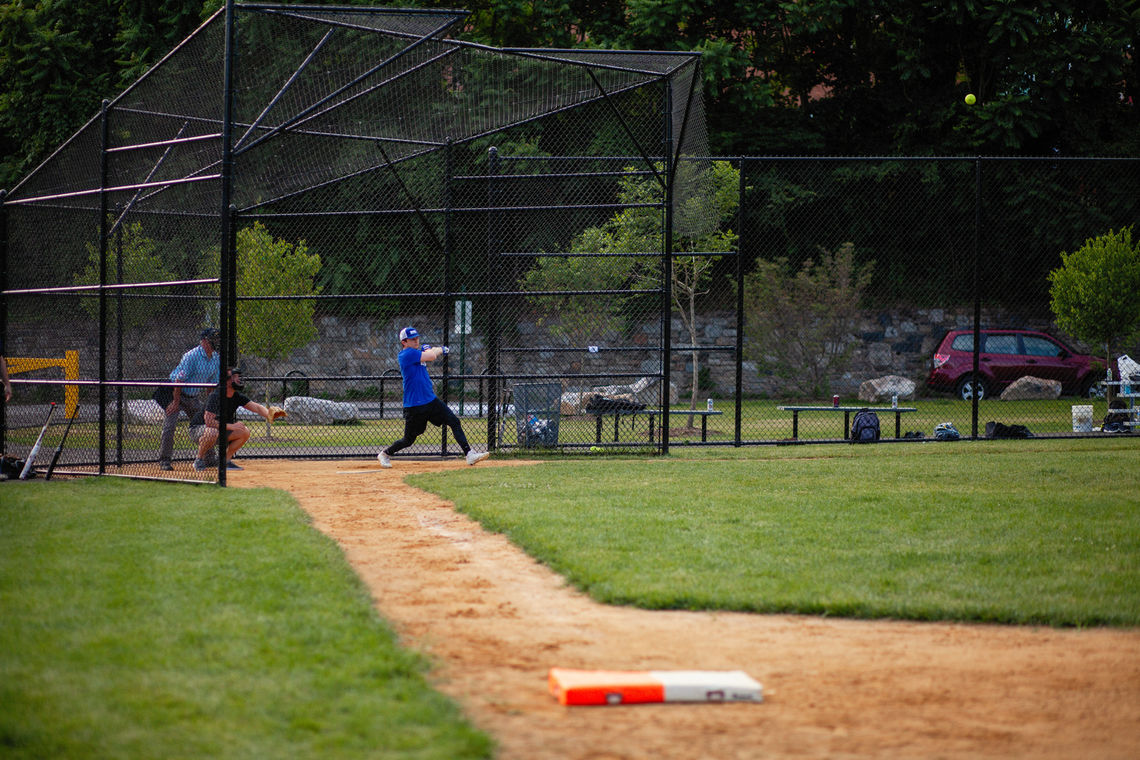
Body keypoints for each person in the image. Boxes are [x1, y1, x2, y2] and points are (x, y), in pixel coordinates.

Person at [377, 326, 489, 468]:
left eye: (417, 337)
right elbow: (431, 356)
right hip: (414, 405)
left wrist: (436, 349)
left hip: (430, 401)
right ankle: (385, 454)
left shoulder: (417, 353)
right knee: (408, 440)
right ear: (404, 342)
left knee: (454, 421)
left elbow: (431, 353)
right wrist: (439, 349)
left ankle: (469, 454)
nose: (416, 340)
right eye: (412, 339)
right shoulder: (406, 354)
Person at [188, 366, 276, 471]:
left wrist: (270, 414)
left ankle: (225, 461)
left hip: (218, 429)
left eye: (238, 376)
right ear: (227, 381)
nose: (238, 379)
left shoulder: (236, 396)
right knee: (212, 432)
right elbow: (209, 422)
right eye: (234, 376)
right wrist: (232, 426)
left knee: (244, 432)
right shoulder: (216, 395)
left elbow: (257, 407)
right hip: (198, 429)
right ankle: (199, 460)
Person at [157, 328, 220, 470]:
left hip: (193, 396)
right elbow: (179, 380)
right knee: (170, 425)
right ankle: (164, 460)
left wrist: (209, 405)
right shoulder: (191, 356)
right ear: (204, 341)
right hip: (175, 392)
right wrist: (175, 402)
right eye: (212, 340)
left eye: (217, 340)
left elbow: (211, 385)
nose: (215, 343)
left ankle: (209, 458)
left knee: (205, 423)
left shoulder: (216, 358)